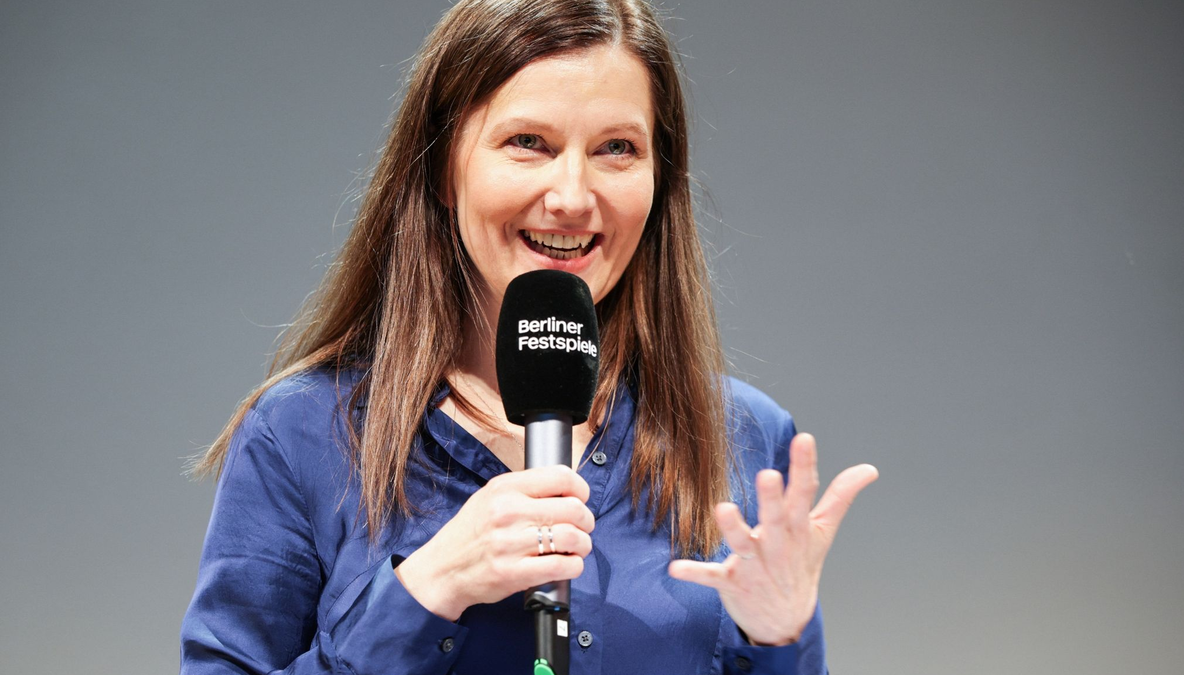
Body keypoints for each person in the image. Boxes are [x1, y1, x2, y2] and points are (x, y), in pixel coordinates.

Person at [180, 1, 878, 673]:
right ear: (443, 168)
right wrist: (424, 591)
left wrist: (781, 641)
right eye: (528, 143)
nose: (572, 197)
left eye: (616, 148)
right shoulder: (301, 435)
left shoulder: (744, 440)